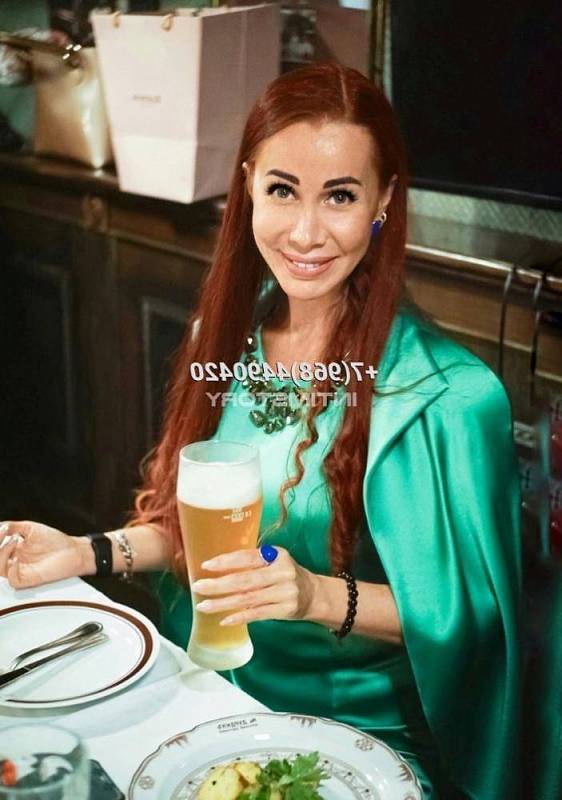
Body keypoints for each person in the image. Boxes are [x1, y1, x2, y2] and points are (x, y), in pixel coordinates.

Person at [0, 62, 522, 799]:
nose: (306, 232)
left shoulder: (447, 398)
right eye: (282, 189)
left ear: (383, 200)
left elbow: (472, 618)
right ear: (248, 186)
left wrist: (313, 596)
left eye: (339, 195)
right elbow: (200, 540)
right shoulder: (225, 342)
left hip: (362, 740)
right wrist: (85, 552)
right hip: (212, 698)